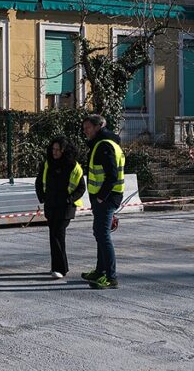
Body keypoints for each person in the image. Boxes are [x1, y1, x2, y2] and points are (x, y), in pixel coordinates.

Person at [80, 114, 125, 289]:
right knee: (100, 233)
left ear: (98, 127)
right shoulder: (103, 143)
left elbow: (112, 176)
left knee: (103, 235)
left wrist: (100, 197)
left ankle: (111, 276)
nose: (85, 131)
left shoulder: (104, 145)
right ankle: (100, 271)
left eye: (88, 127)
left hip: (106, 198)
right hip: (104, 198)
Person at [34, 136, 86, 279]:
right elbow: (39, 182)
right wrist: (42, 197)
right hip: (51, 206)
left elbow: (81, 188)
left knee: (58, 235)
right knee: (53, 236)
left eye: (58, 150)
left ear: (65, 151)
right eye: (53, 149)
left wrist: (70, 199)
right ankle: (57, 267)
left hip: (65, 207)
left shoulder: (73, 166)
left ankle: (60, 268)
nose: (54, 152)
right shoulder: (48, 164)